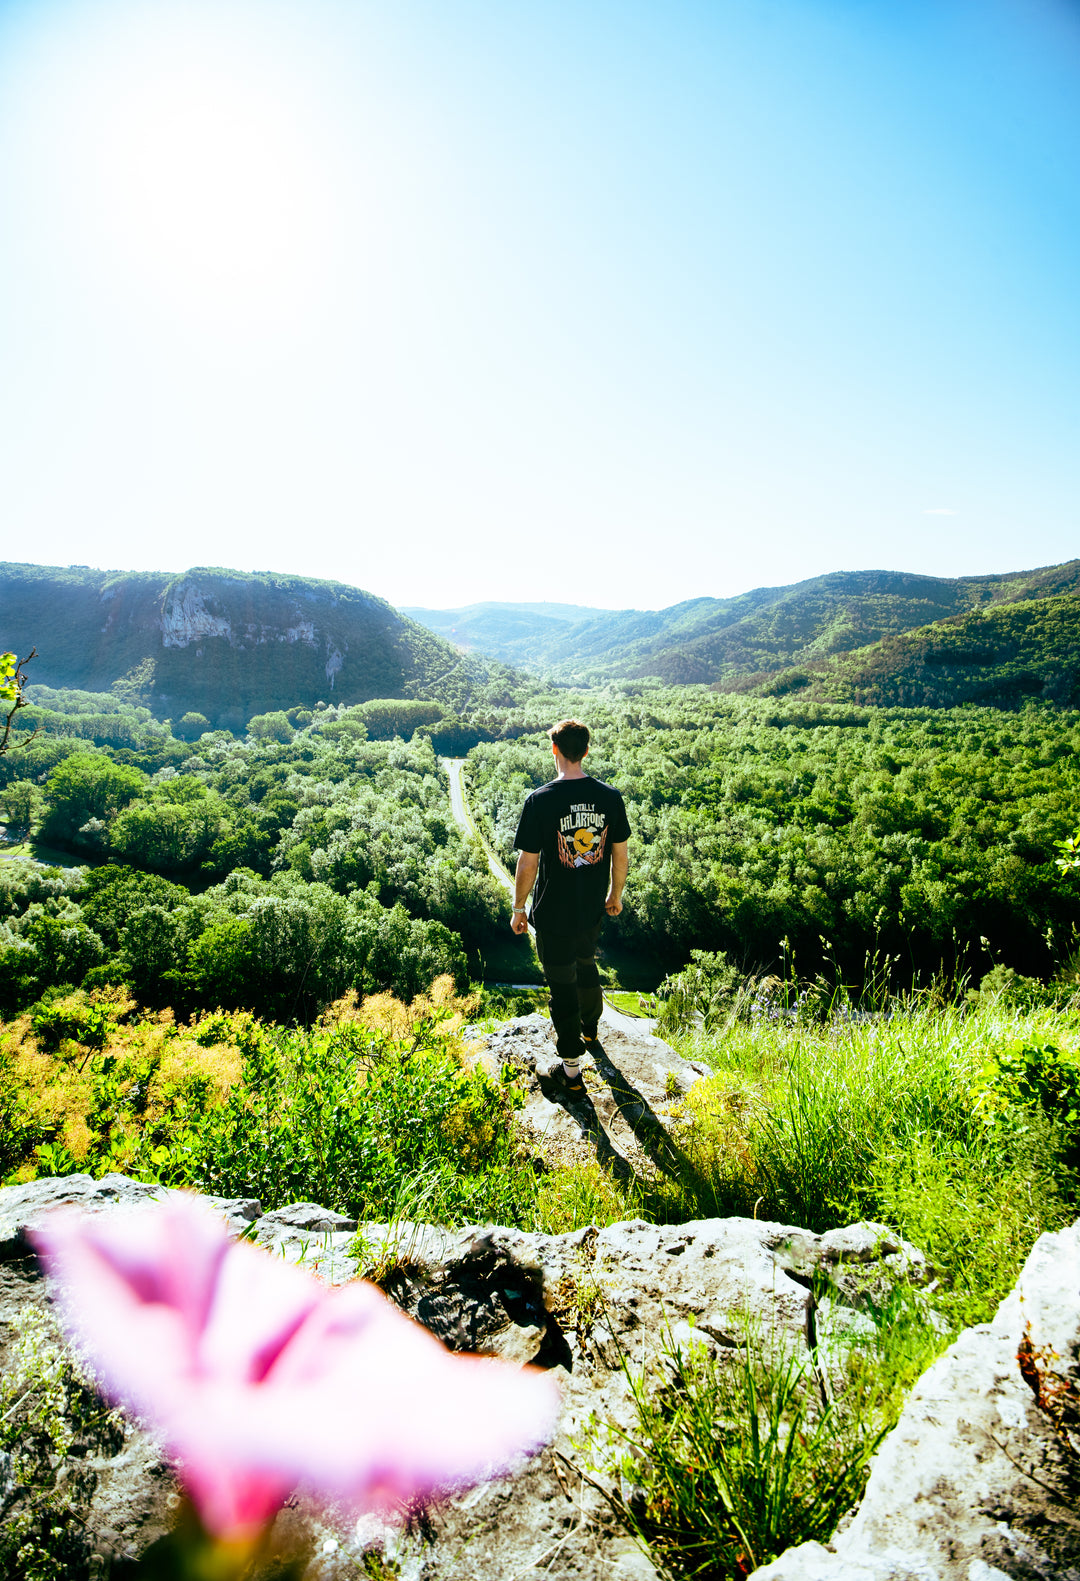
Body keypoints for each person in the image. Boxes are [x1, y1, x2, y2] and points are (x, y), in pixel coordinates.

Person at [511, 719, 630, 1095]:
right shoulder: (610, 797)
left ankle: (571, 1071)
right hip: (591, 908)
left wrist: (518, 908)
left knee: (562, 983)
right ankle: (591, 1031)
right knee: (586, 965)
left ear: (555, 750)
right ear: (586, 751)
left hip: (552, 913)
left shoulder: (541, 800)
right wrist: (615, 895)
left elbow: (528, 863)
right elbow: (620, 855)